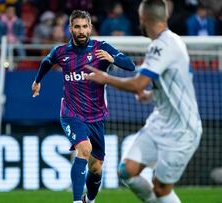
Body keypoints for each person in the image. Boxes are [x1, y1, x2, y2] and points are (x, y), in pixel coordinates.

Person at [85, 0, 202, 202]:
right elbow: (174, 83)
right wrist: (151, 95)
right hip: (161, 121)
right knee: (127, 171)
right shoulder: (168, 42)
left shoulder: (163, 45)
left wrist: (105, 78)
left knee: (161, 190)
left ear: (143, 19)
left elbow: (138, 84)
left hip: (182, 129)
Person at [31, 10, 135, 203]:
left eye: (84, 26)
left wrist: (113, 60)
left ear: (90, 28)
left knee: (96, 167)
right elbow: (47, 61)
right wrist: (37, 81)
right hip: (71, 113)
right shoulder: (61, 52)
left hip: (96, 117)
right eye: (77, 27)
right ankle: (77, 201)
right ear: (70, 28)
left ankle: (90, 200)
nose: (81, 31)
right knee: (84, 150)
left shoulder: (101, 48)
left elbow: (131, 65)